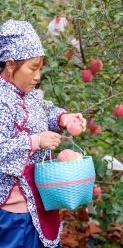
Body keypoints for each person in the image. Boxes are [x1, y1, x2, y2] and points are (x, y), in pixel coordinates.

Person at [0, 19, 87, 248]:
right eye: (32, 68)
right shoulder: (1, 100)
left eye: (40, 68)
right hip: (12, 209)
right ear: (10, 65)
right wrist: (35, 141)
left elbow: (44, 110)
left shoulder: (28, 93)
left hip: (38, 200)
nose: (38, 75)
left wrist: (63, 118)